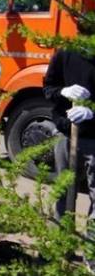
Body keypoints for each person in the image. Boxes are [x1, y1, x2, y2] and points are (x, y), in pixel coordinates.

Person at [43, 48, 95, 255]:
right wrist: (62, 91)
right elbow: (48, 88)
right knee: (64, 193)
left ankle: (91, 254)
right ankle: (60, 246)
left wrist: (93, 111)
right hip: (67, 134)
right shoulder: (65, 53)